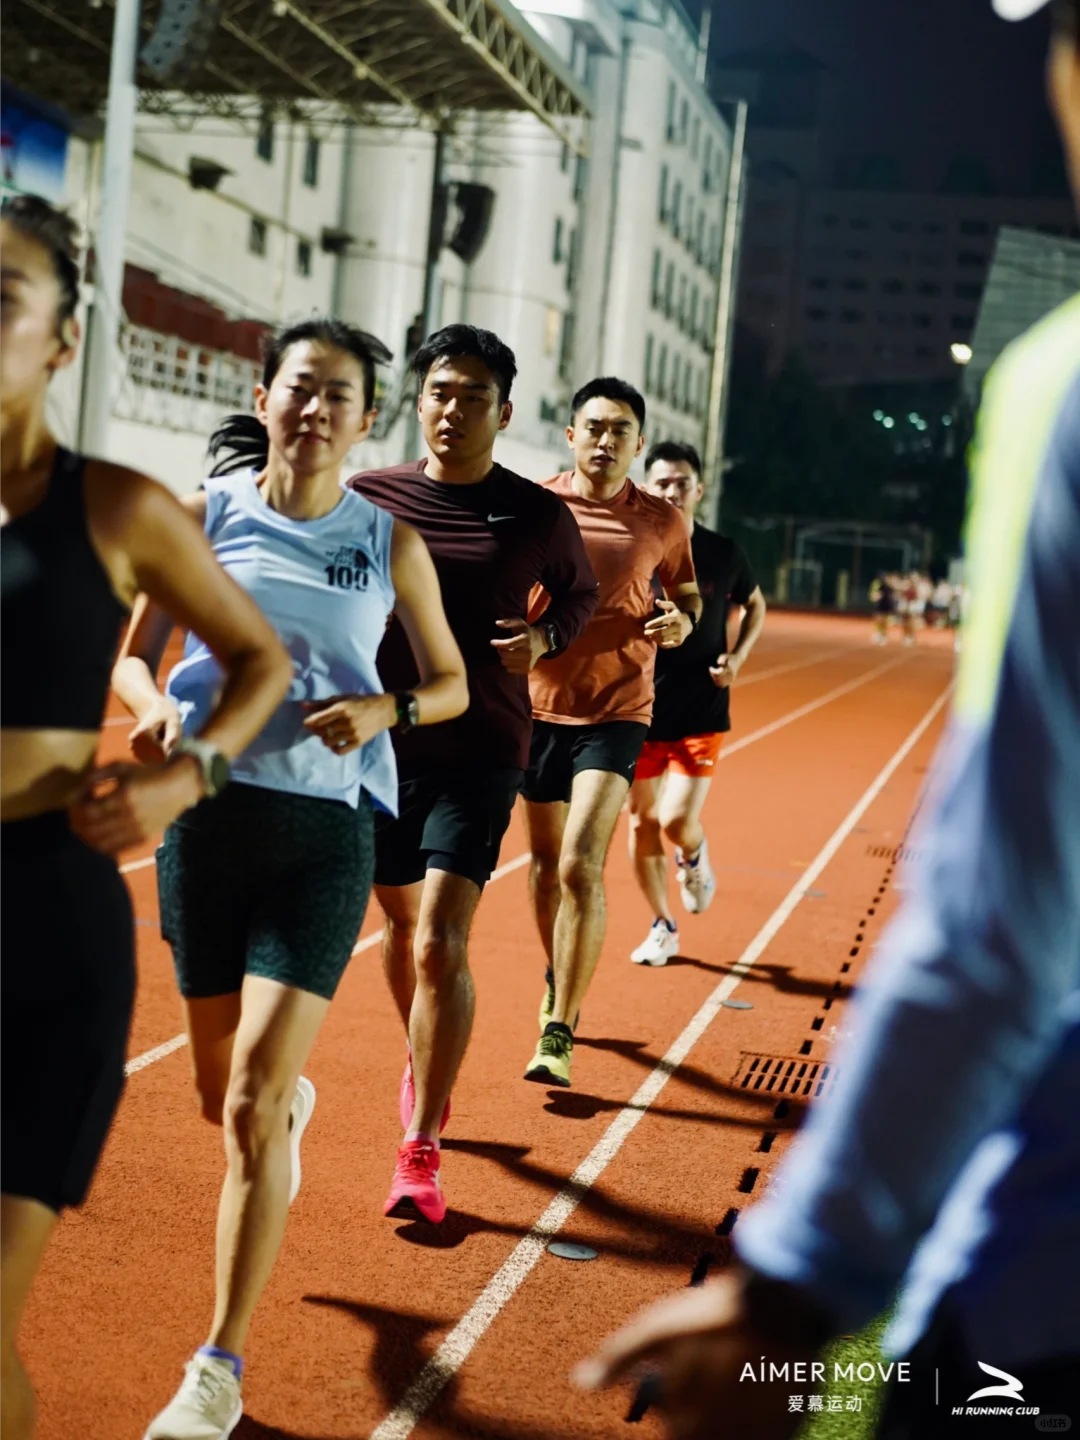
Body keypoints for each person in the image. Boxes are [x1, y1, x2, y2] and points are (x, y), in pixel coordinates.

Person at [576, 1, 1080, 1432]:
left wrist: (796, 1282)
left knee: (864, 1395)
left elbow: (1005, 912)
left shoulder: (1062, 389)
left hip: (1047, 1279)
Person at [113, 318, 468, 1440]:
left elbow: (452, 684)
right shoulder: (200, 517)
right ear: (264, 396)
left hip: (324, 836)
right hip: (205, 825)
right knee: (218, 1098)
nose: (316, 410)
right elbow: (135, 657)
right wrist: (153, 709)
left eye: (340, 395)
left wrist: (384, 708)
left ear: (368, 420)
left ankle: (216, 1369)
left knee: (250, 1108)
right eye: (300, 388)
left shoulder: (388, 542)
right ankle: (282, 1109)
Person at [0, 194, 291, 1440]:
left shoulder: (118, 508)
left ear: (64, 340)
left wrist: (189, 773)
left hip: (43, 930)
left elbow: (260, 660)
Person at [348, 324, 598, 1222]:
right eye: (441, 393)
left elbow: (580, 592)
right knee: (397, 925)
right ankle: (426, 1054)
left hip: (485, 743)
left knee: (437, 939)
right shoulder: (367, 496)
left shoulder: (535, 514)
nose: (454, 410)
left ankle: (421, 1146)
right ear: (419, 402)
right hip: (383, 746)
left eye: (474, 397)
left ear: (506, 411)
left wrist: (545, 636)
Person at [522, 380, 702, 1089]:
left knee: (578, 865)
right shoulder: (536, 506)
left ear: (638, 443)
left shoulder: (661, 520)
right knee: (544, 867)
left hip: (618, 707)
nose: (605, 440)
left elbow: (686, 593)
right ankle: (557, 970)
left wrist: (682, 622)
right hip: (537, 706)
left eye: (620, 430)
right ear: (571, 434)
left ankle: (560, 1027)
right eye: (593, 427)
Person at [627, 442, 766, 967]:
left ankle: (692, 852)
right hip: (637, 710)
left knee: (673, 820)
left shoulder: (723, 553)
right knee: (641, 823)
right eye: (661, 483)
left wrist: (738, 657)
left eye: (681, 483)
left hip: (702, 706)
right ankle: (662, 926)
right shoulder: (632, 549)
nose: (672, 491)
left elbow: (755, 605)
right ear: (646, 488)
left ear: (699, 490)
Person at [869, 571, 894, 645]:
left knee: (883, 621)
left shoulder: (888, 585)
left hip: (886, 605)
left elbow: (891, 594)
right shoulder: (877, 584)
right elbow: (874, 594)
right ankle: (878, 634)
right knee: (878, 620)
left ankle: (883, 635)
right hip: (880, 605)